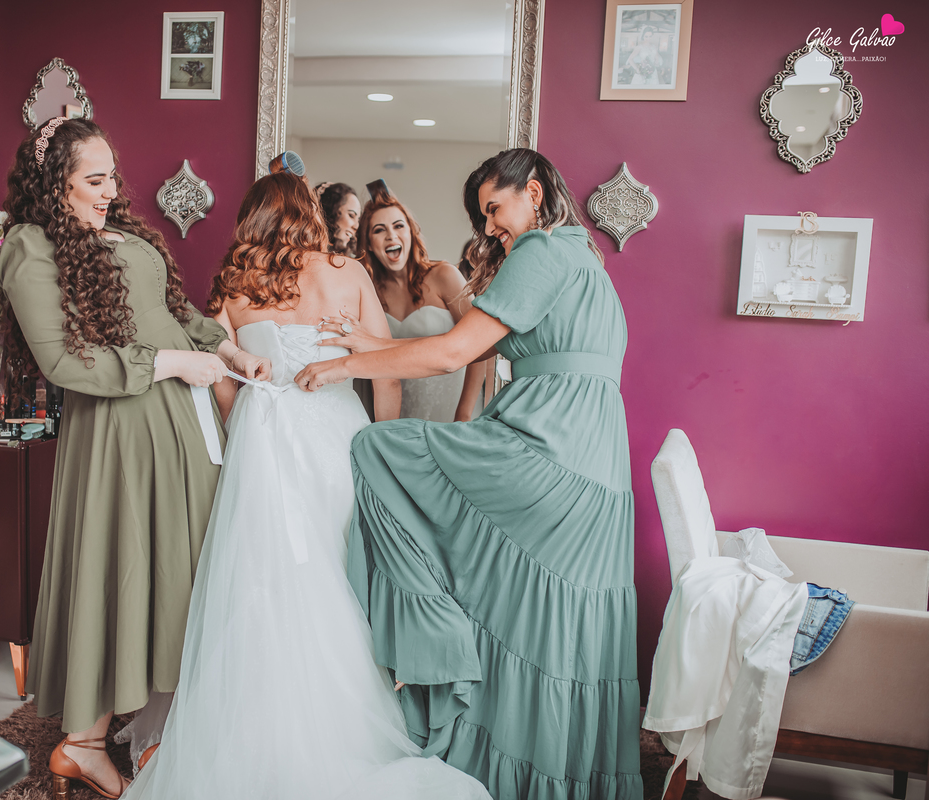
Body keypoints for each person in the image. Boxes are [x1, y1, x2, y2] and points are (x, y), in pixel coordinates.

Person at [122, 171, 486, 800]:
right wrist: (383, 444)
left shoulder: (235, 282)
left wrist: (245, 430)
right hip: (335, 435)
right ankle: (346, 718)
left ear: (251, 219)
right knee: (341, 571)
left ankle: (253, 724)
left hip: (262, 436)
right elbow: (383, 371)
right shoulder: (347, 274)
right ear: (311, 216)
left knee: (259, 576)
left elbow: (221, 377)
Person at [295, 148, 643, 800]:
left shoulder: (541, 250)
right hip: (597, 470)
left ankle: (438, 640)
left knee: (377, 449)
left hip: (546, 451)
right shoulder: (585, 259)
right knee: (550, 625)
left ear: (533, 193)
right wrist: (371, 345)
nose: (489, 227)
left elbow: (455, 352)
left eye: (494, 208)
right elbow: (468, 345)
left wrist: (343, 366)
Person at [0, 117, 271, 800]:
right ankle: (83, 743)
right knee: (117, 568)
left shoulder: (122, 234)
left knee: (179, 570)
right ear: (53, 184)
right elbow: (63, 361)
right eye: (94, 180)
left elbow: (170, 311)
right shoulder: (31, 246)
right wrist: (174, 363)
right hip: (118, 431)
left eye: (111, 176)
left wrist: (226, 349)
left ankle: (164, 728)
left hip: (180, 420)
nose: (110, 191)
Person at [344, 182, 485, 423]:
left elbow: (480, 345)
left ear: (411, 232)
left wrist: (464, 413)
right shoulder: (367, 292)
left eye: (399, 225)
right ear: (369, 243)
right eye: (379, 230)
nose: (391, 235)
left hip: (453, 414)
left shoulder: (444, 276)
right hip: (394, 417)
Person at [314, 181, 361, 257]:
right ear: (330, 212)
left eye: (358, 220)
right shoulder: (304, 254)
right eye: (351, 215)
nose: (356, 226)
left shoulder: (351, 260)